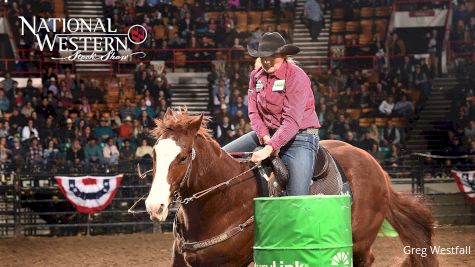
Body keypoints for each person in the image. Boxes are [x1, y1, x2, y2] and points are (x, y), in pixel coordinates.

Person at [223, 32, 320, 196]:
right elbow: (253, 112)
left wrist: (270, 147)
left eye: (271, 56)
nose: (266, 61)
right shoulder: (256, 76)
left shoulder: (297, 76)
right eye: (263, 57)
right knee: (221, 159)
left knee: (296, 196)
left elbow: (292, 121)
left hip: (300, 137)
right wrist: (266, 138)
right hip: (267, 134)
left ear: (283, 55)